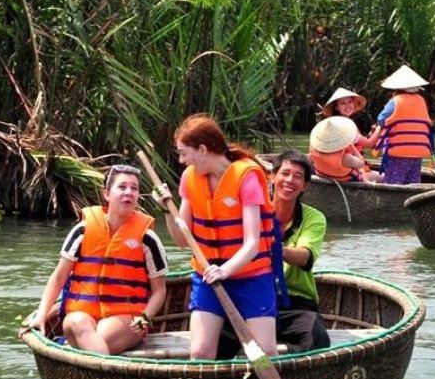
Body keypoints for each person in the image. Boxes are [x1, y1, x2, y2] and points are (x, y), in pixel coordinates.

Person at [154, 113, 278, 360]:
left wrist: (225, 270)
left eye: (183, 153)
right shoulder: (190, 179)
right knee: (200, 352)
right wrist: (166, 210)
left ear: (202, 149)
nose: (181, 160)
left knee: (265, 353)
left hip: (251, 276)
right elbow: (182, 239)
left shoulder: (247, 177)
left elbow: (253, 243)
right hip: (207, 276)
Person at [25, 164, 168, 355]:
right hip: (82, 314)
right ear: (107, 194)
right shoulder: (82, 231)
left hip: (127, 318)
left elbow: (159, 290)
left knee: (102, 334)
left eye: (134, 189)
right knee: (77, 322)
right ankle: (107, 369)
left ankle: (98, 369)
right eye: (122, 187)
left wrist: (145, 317)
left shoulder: (148, 238)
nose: (129, 192)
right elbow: (58, 277)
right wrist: (42, 315)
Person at [215, 150, 330, 358]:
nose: (289, 180)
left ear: (305, 185)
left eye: (298, 176)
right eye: (285, 173)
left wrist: (273, 247)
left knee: (317, 338)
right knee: (216, 339)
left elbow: (305, 257)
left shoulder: (314, 218)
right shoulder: (251, 210)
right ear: (272, 177)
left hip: (294, 303)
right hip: (251, 297)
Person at [373, 64, 435, 184]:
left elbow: (381, 119)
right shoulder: (421, 101)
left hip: (398, 153)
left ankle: (393, 201)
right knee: (413, 180)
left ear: (396, 89)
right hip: (418, 152)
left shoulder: (395, 101)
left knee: (393, 182)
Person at [308, 116, 383, 183]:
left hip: (324, 176)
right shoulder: (345, 158)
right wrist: (351, 146)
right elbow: (360, 163)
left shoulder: (313, 153)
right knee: (381, 178)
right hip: (346, 180)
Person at [320, 87, 377, 152]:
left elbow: (360, 143)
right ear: (336, 107)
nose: (347, 106)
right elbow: (369, 144)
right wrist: (380, 127)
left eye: (349, 102)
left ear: (353, 103)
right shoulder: (344, 124)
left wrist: (372, 132)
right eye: (343, 103)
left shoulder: (339, 121)